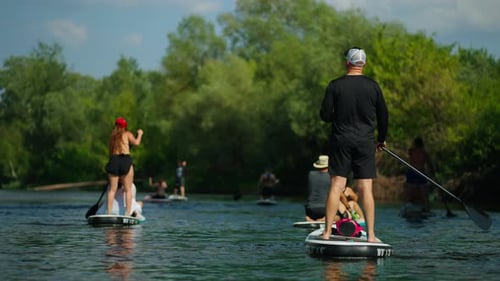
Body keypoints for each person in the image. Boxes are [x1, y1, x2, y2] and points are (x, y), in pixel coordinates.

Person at [319, 47, 388, 242]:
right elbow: (384, 116)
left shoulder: (335, 85)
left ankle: (325, 234)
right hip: (365, 141)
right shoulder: (373, 86)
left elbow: (324, 115)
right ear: (363, 64)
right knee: (366, 188)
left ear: (347, 63)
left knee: (337, 185)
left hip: (341, 140)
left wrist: (337, 117)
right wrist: (381, 139)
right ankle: (371, 236)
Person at [105, 117, 143, 216]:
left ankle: (108, 213)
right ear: (124, 127)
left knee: (112, 190)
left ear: (115, 125)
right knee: (128, 189)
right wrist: (139, 134)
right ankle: (127, 213)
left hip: (114, 160)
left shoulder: (112, 136)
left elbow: (110, 151)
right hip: (125, 160)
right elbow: (136, 143)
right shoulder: (127, 134)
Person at [405, 137, 435, 213]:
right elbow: (430, 164)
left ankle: (410, 206)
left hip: (414, 173)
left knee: (410, 193)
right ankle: (427, 208)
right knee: (424, 194)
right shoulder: (423, 152)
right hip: (419, 173)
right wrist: (433, 174)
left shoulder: (411, 151)